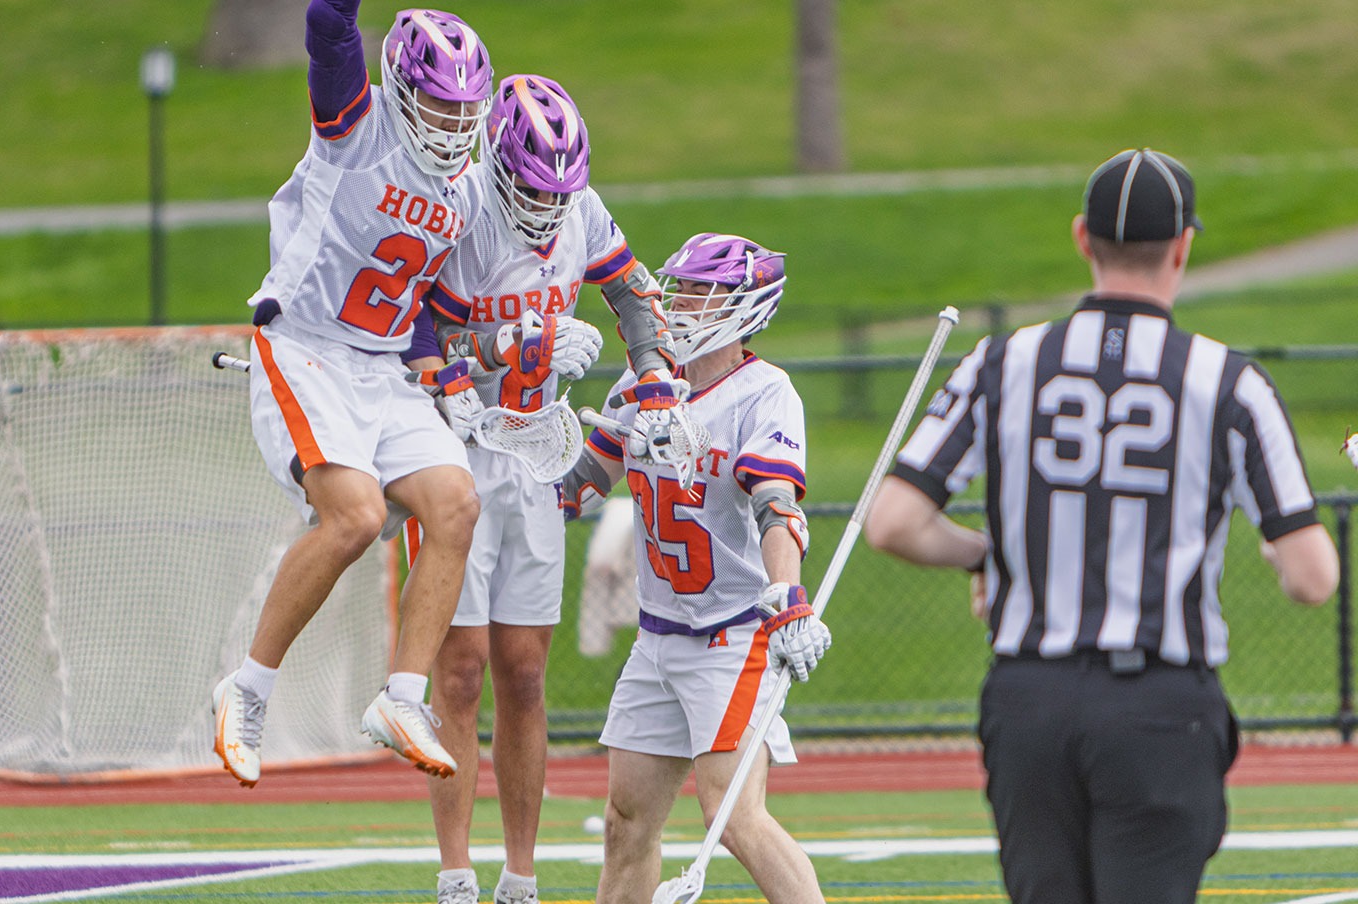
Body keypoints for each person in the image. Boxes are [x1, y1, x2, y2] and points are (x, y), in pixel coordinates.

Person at [866, 148, 1341, 904]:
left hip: (1031, 702)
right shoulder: (1229, 383)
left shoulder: (1004, 361)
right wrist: (1277, 551)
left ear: (1083, 238)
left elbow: (892, 522)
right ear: (1184, 246)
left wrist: (987, 557)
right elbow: (1313, 578)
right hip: (1159, 704)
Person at [214, 0, 488, 787]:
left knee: (455, 503)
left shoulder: (461, 191)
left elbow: (423, 306)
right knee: (354, 518)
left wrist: (458, 363)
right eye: (440, 108)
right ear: (402, 94)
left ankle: (401, 696)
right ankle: (247, 686)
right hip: (307, 349)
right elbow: (329, 30)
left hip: (379, 366)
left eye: (467, 111)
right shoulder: (354, 126)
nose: (455, 127)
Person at [415, 74, 681, 904]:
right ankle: (454, 872)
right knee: (457, 671)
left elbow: (635, 292)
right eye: (532, 184)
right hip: (457, 445)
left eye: (556, 187)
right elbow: (419, 330)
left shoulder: (584, 211)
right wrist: (508, 343)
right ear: (500, 163)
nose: (544, 202)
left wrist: (655, 376)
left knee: (524, 673)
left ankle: (520, 875)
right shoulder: (464, 210)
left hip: (534, 451)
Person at [562, 233, 830, 904]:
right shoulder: (645, 381)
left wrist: (789, 596)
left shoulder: (765, 394)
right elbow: (582, 483)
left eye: (699, 292)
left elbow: (777, 506)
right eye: (678, 288)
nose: (680, 302)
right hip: (657, 637)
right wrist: (507, 466)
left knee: (735, 819)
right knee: (626, 825)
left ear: (746, 306)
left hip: (732, 635)